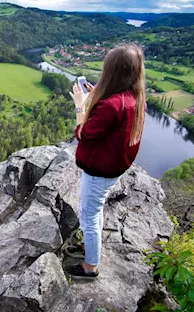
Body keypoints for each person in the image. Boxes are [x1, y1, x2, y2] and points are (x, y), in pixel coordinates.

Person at [65, 44, 146, 279]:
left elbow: (84, 133)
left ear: (112, 71)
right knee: (95, 209)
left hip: (99, 170)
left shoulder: (111, 106)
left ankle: (90, 267)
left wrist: (81, 104)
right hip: (114, 167)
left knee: (88, 214)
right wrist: (96, 97)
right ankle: (90, 246)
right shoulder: (134, 97)